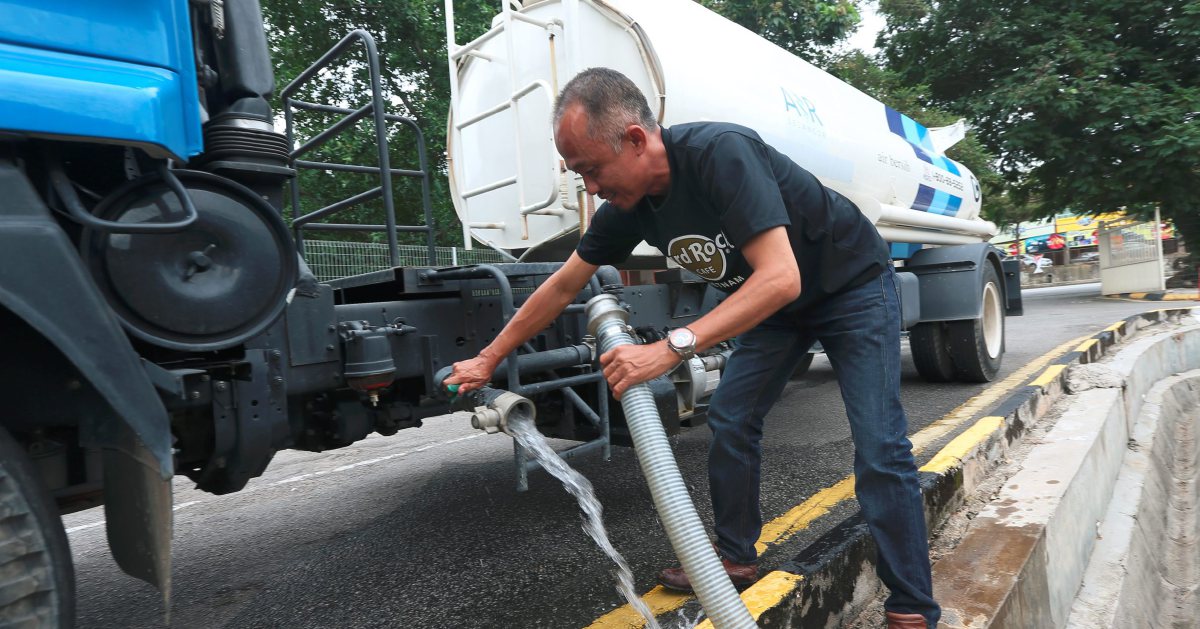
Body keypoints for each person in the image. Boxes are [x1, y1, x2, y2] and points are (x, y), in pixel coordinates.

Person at [444, 67, 939, 629]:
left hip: (849, 284)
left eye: (591, 170)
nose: (590, 188)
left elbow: (780, 277)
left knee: (879, 445)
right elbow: (563, 283)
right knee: (731, 417)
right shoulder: (629, 206)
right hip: (780, 309)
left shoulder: (719, 153)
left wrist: (672, 347)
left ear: (635, 139)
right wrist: (489, 357)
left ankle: (912, 607)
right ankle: (734, 557)